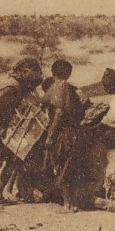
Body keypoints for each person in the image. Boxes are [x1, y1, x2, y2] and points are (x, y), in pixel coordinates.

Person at [0, 58, 43, 208]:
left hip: (12, 130)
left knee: (11, 163)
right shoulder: (11, 89)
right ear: (25, 73)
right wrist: (2, 124)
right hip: (0, 129)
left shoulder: (24, 89)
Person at [41, 59, 83, 212]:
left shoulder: (58, 87)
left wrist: (50, 136)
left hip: (62, 133)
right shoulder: (66, 87)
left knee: (62, 166)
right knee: (68, 166)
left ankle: (68, 203)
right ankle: (72, 202)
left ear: (53, 73)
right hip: (71, 132)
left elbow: (58, 113)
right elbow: (44, 100)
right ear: (69, 73)